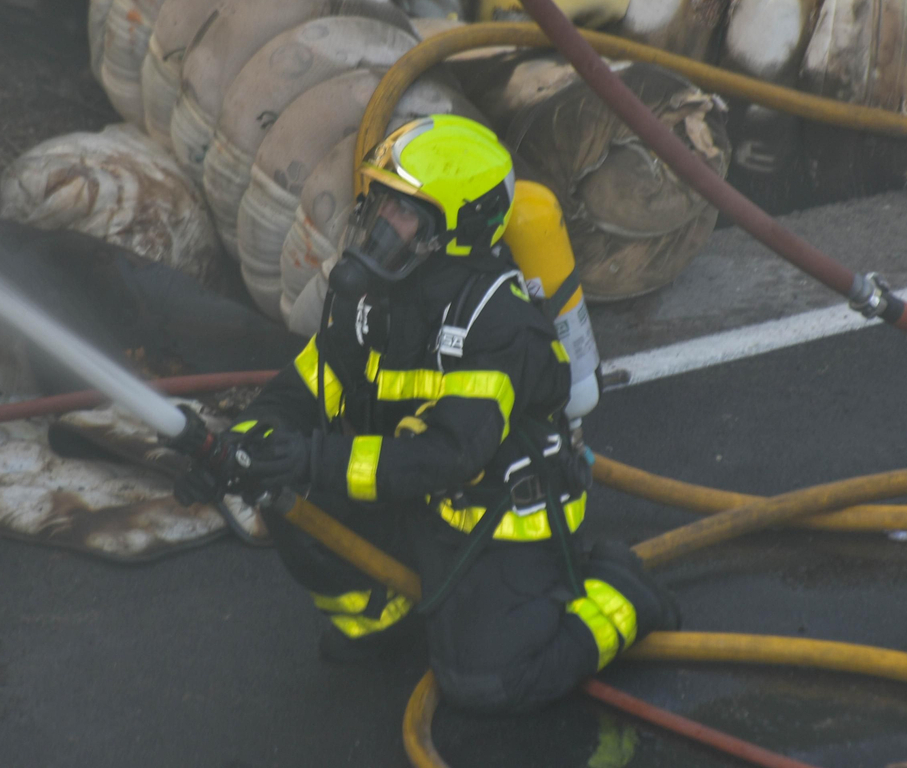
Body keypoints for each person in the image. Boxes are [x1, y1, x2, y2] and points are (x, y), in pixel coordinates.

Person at [218, 114, 679, 713]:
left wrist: (311, 459)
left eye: (404, 213)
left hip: (495, 524)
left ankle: (623, 596)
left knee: (487, 684)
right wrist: (241, 447)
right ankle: (384, 614)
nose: (383, 223)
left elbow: (446, 454)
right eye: (381, 203)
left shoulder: (500, 325)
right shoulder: (368, 297)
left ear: (459, 229)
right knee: (287, 494)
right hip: (416, 504)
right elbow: (302, 389)